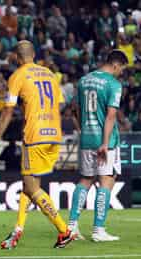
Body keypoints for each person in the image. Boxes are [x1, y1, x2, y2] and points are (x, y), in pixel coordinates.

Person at [0, 40, 76, 249]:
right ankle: (17, 230)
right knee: (30, 186)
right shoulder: (50, 74)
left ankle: (64, 231)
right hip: (54, 134)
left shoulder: (17, 76)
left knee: (30, 186)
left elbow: (8, 110)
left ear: (17, 57)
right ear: (34, 54)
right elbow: (61, 104)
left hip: (34, 135)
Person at [68, 50, 128, 242]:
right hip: (105, 142)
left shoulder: (84, 80)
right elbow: (111, 115)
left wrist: (81, 130)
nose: (121, 74)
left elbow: (74, 110)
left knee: (85, 179)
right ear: (116, 65)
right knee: (107, 180)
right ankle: (98, 230)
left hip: (86, 138)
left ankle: (72, 227)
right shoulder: (113, 84)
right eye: (122, 70)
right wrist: (104, 143)